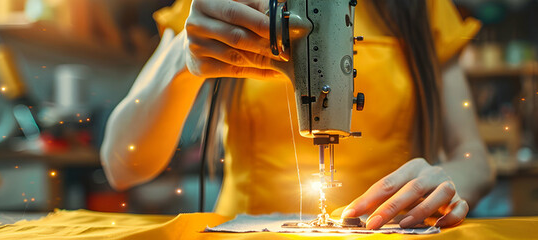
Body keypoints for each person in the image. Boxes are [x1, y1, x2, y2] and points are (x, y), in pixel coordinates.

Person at [101, 0, 494, 230]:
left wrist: (445, 182)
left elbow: (474, 160)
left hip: (387, 231)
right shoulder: (219, 3)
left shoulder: (422, 10)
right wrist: (181, 61)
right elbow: (121, 165)